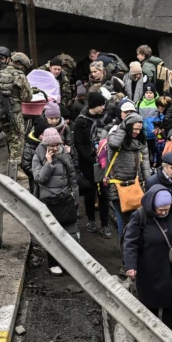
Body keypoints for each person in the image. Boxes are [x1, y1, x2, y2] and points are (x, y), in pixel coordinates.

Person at [123, 187, 172, 327]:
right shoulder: (140, 216)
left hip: (171, 269)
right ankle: (150, 339)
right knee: (150, 309)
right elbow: (130, 243)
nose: (163, 213)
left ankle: (169, 339)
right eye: (160, 210)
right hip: (149, 270)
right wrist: (130, 265)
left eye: (166, 209)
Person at [32, 128, 78, 275]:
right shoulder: (38, 156)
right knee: (52, 233)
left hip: (65, 197)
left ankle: (71, 261)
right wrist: (49, 163)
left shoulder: (65, 154)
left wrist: (75, 196)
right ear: (45, 145)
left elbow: (72, 176)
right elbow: (39, 179)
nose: (54, 148)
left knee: (70, 231)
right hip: (48, 200)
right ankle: (53, 262)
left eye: (57, 145)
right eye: (51, 145)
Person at [105, 112, 154, 237]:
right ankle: (126, 252)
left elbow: (145, 162)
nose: (137, 132)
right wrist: (122, 128)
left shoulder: (140, 141)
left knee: (135, 220)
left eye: (139, 129)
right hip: (118, 187)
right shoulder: (115, 137)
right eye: (134, 129)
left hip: (136, 186)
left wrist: (147, 182)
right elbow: (114, 144)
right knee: (124, 222)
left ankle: (132, 248)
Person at [73, 91, 112, 238]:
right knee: (89, 193)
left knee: (104, 194)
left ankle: (105, 224)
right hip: (88, 163)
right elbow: (79, 143)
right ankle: (91, 220)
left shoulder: (106, 119)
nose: (103, 107)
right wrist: (91, 158)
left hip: (103, 163)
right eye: (101, 105)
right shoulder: (81, 122)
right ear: (94, 105)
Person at [0, 49, 33, 168]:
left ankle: (11, 164)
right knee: (18, 139)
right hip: (14, 111)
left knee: (9, 136)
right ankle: (16, 169)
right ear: (22, 65)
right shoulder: (20, 76)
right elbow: (27, 97)